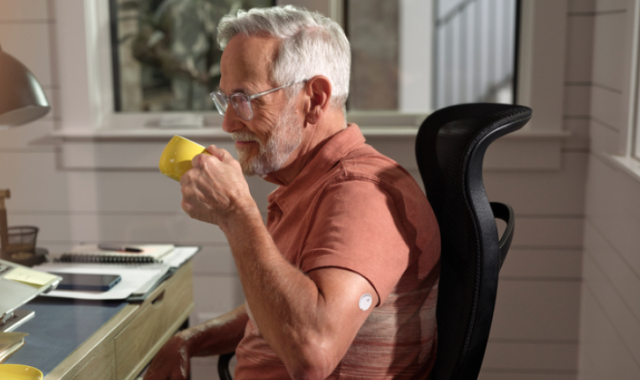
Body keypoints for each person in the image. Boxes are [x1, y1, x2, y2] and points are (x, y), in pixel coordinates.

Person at [144, 5, 440, 380]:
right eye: (225, 99)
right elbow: (281, 303)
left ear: (314, 98)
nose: (228, 122)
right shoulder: (308, 183)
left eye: (244, 98)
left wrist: (236, 214)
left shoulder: (362, 195)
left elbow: (312, 353)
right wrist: (187, 341)